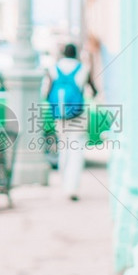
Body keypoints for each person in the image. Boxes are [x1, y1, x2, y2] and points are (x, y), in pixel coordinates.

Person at [45, 43, 98, 201]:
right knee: (76, 150)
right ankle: (71, 188)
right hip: (77, 116)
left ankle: (64, 183)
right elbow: (93, 91)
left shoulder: (53, 69)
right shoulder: (83, 69)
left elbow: (47, 93)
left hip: (60, 117)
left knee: (64, 148)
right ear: (75, 54)